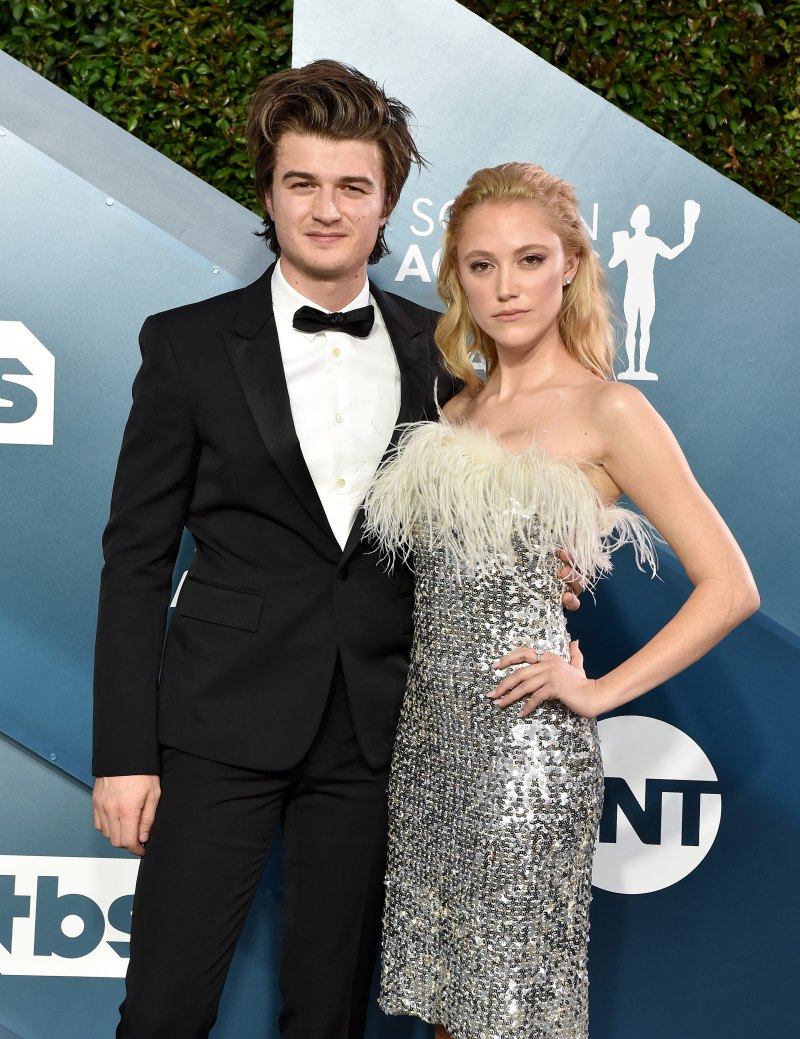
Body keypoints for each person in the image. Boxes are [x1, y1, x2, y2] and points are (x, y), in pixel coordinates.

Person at [90, 62, 583, 1038]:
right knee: (161, 1009)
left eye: (351, 186)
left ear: (387, 199)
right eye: (301, 183)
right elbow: (136, 559)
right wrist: (121, 757)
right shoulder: (184, 345)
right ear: (268, 196)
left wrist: (549, 567)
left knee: (328, 1013)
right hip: (216, 723)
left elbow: (482, 512)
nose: (326, 209)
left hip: (376, 730)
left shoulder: (442, 354)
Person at [363, 162, 758, 1039]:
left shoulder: (609, 408)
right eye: (482, 265)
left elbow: (730, 587)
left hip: (525, 760)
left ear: (571, 265)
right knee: (451, 1012)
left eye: (531, 259)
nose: (507, 287)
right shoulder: (455, 411)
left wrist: (597, 690)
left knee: (514, 1012)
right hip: (430, 748)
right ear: (456, 276)